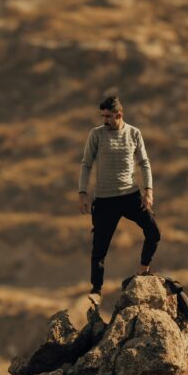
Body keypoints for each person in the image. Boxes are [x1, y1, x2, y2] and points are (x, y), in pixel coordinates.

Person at [78, 89, 160, 300]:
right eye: (102, 116)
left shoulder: (134, 133)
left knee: (154, 232)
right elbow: (86, 164)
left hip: (130, 196)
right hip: (105, 200)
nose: (104, 120)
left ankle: (143, 271)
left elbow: (144, 163)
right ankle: (96, 291)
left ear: (119, 114)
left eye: (108, 116)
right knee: (99, 251)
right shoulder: (96, 135)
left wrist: (148, 190)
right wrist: (82, 192)